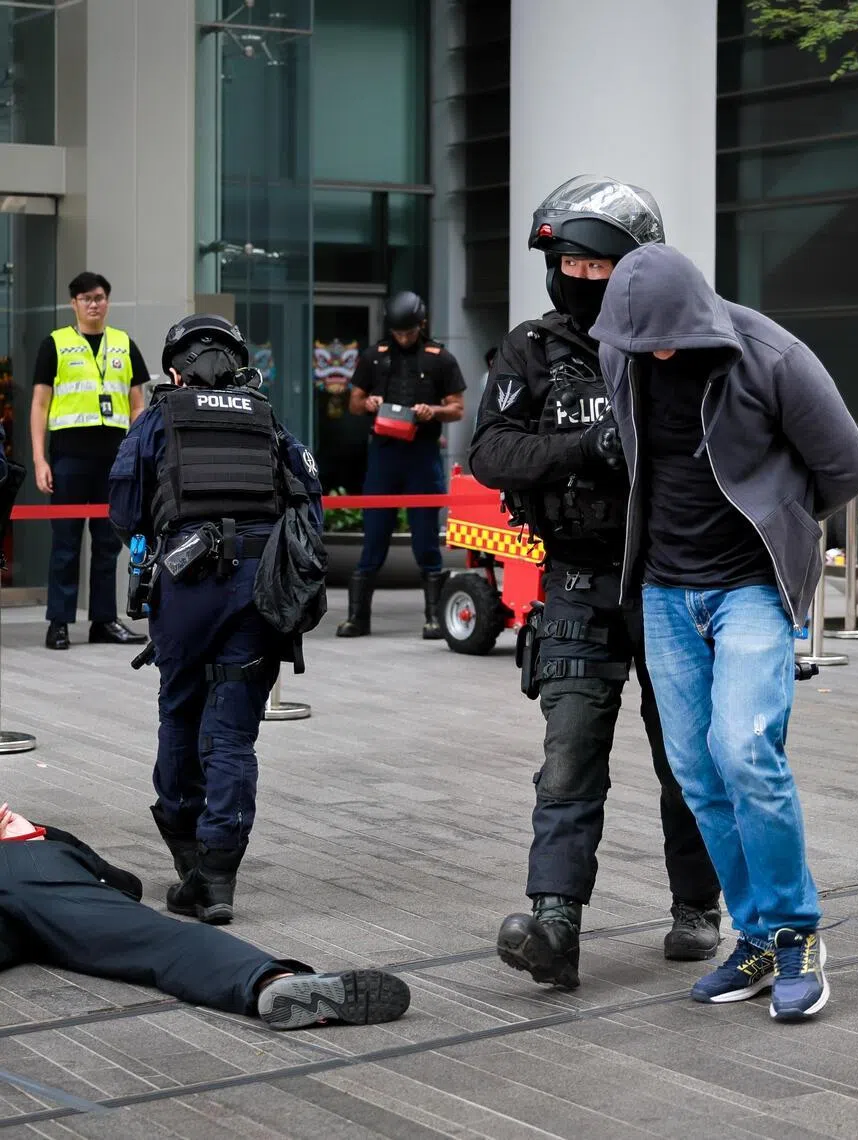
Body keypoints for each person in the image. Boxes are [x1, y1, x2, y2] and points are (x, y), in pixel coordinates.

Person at [590, 243, 858, 1021]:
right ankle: (753, 935)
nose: (658, 354)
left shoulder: (771, 354)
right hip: (662, 591)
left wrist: (777, 522)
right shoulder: (625, 358)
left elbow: (848, 467)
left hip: (750, 586)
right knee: (699, 776)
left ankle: (797, 933)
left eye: (668, 339)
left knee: (746, 751)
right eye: (641, 344)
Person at [469, 175, 722, 991]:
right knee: (570, 757)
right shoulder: (530, 350)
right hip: (577, 581)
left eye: (598, 266)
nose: (581, 280)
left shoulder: (678, 347)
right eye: (567, 264)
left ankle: (696, 907)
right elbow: (491, 452)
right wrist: (587, 449)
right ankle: (554, 922)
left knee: (686, 755)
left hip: (671, 582)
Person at [108, 315, 324, 926]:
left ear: (175, 368)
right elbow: (310, 499)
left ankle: (187, 856)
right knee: (232, 733)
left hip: (186, 587)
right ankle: (218, 877)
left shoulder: (158, 419)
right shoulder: (268, 420)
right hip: (258, 590)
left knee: (179, 711)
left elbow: (123, 508)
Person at [0, 801, 409, 1029]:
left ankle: (275, 987)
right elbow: (127, 886)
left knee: (153, 940)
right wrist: (39, 835)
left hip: (27, 886)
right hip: (33, 873)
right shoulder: (34, 842)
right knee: (161, 941)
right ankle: (269, 981)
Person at [335, 292, 466, 640]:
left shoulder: (440, 358)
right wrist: (370, 402)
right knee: (374, 535)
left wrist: (432, 411)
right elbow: (354, 402)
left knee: (425, 537)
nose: (403, 337)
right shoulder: (374, 357)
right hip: (384, 452)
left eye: (409, 331)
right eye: (398, 332)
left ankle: (434, 619)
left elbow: (457, 408)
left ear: (421, 325)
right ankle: (358, 618)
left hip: (422, 453)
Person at [30, 271, 149, 651]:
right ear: (74, 304)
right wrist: (39, 459)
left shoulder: (123, 344)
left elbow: (137, 404)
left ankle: (103, 621)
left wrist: (137, 452)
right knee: (65, 545)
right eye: (85, 298)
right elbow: (40, 403)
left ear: (107, 301)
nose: (93, 303)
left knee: (107, 545)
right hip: (67, 457)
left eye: (99, 297)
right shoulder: (56, 344)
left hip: (114, 461)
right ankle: (59, 623)